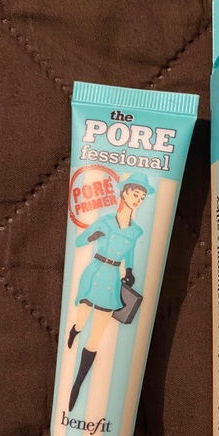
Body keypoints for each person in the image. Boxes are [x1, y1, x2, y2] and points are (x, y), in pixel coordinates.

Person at [66, 173, 154, 411]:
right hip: (94, 272)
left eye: (142, 197)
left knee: (96, 336)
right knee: (82, 319)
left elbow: (130, 252)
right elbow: (79, 242)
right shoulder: (104, 221)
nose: (138, 200)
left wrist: (130, 270)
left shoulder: (135, 231)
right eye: (135, 194)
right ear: (124, 193)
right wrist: (93, 235)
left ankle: (77, 386)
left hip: (112, 280)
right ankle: (75, 330)